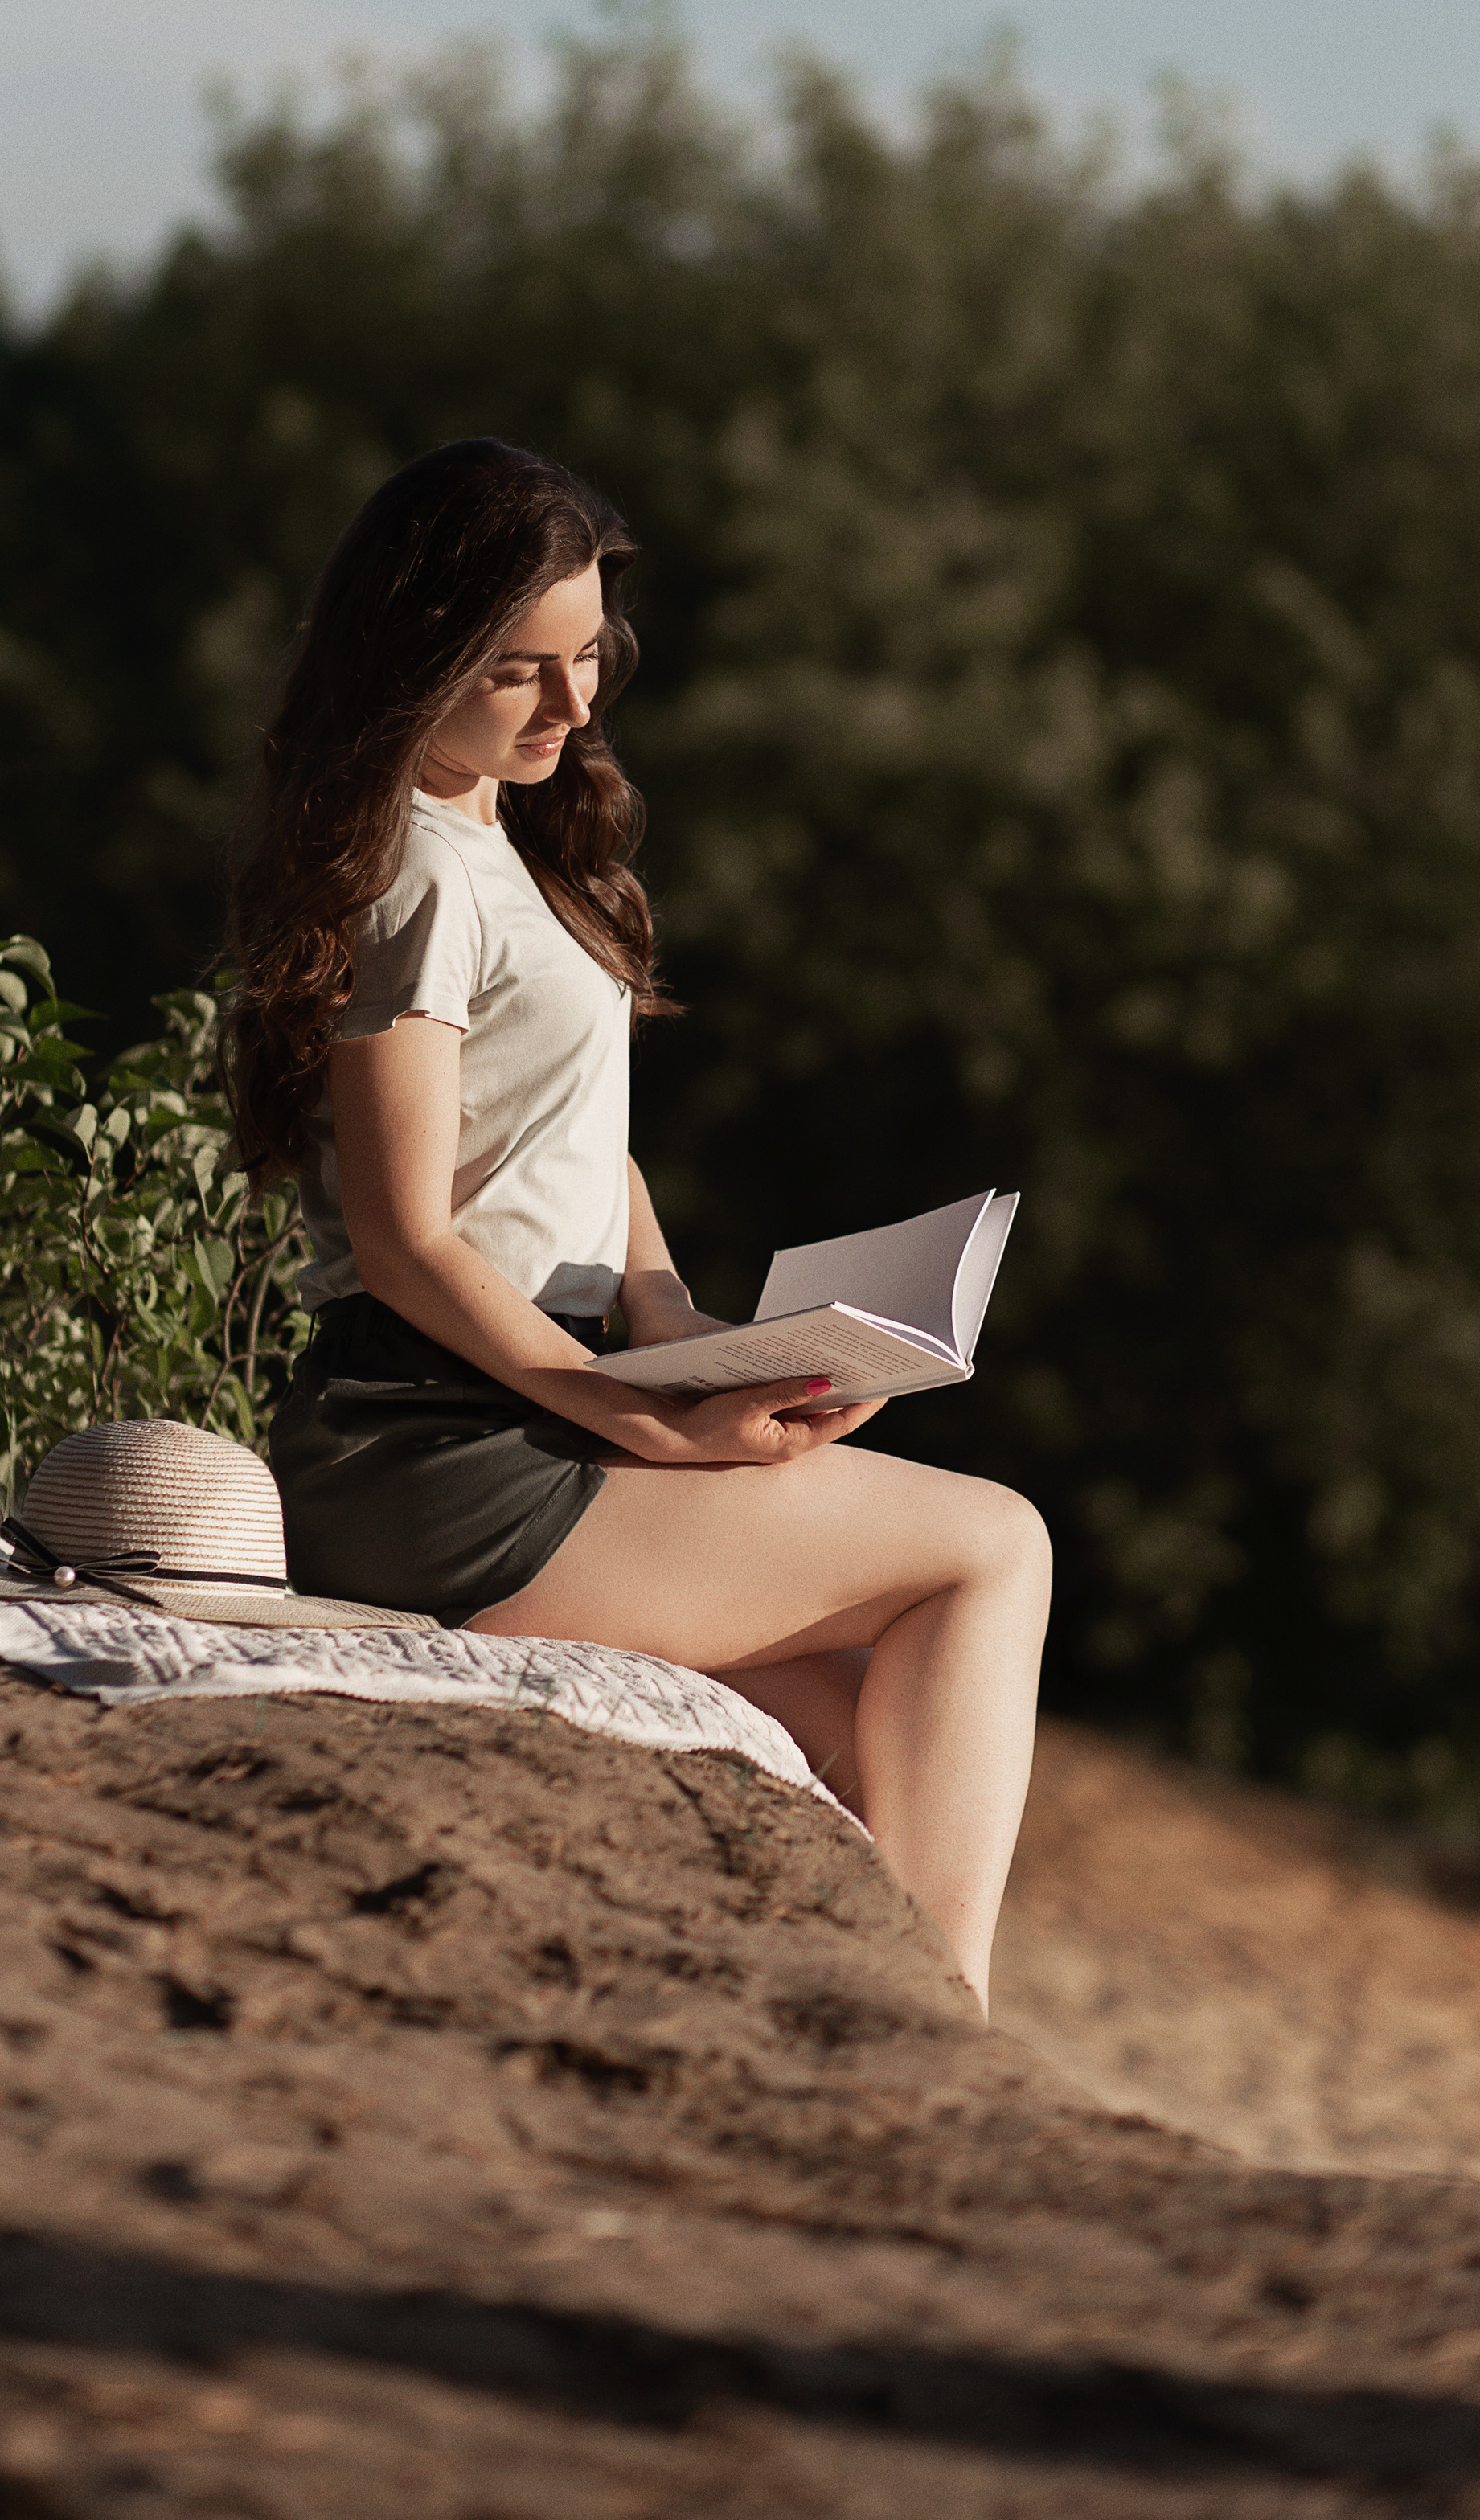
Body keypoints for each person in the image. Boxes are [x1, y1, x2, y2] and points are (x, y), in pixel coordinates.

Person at [228, 440, 1051, 2012]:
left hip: (520, 1411)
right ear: (415, 659)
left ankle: (852, 2036)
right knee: (992, 1548)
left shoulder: (493, 850)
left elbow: (571, 1152)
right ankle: (952, 2028)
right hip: (432, 1445)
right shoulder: (409, 871)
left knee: (854, 1722)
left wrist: (688, 1337)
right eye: (517, 672)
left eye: (587, 658)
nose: (570, 707)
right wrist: (645, 1420)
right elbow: (406, 1241)